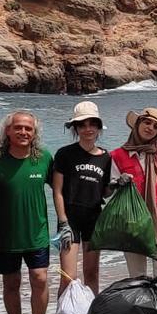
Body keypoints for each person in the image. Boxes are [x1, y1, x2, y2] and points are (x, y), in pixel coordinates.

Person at [0, 110, 53, 314]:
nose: (23, 132)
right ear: (8, 131)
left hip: (37, 232)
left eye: (29, 128)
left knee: (40, 278)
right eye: (18, 128)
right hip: (5, 235)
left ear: (34, 133)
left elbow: (60, 190)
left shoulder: (44, 157)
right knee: (11, 282)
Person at [110, 107, 157, 293]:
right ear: (138, 124)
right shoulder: (117, 155)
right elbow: (109, 191)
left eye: (155, 126)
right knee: (137, 277)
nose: (150, 128)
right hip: (132, 223)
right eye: (146, 122)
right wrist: (118, 183)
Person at [53, 101, 111, 295]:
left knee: (92, 274)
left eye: (92, 124)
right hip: (70, 220)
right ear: (75, 128)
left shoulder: (106, 157)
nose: (88, 129)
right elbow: (57, 190)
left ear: (98, 127)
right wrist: (62, 222)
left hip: (94, 220)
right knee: (68, 276)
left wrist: (118, 186)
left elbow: (104, 192)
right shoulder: (64, 154)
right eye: (82, 125)